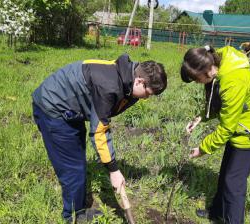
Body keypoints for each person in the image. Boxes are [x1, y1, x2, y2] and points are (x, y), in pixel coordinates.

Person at [32, 54, 167, 223]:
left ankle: (78, 210)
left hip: (72, 108)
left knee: (77, 161)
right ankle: (73, 216)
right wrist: (113, 170)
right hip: (53, 108)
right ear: (139, 81)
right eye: (148, 93)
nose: (146, 98)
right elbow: (99, 132)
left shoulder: (127, 79)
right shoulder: (109, 86)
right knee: (72, 168)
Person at [181, 45, 250, 224]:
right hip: (242, 130)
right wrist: (200, 117)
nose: (197, 82)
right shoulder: (220, 62)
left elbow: (226, 128)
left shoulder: (233, 80)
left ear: (207, 71)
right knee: (226, 174)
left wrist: (202, 149)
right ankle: (217, 213)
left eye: (196, 79)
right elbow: (219, 105)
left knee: (234, 183)